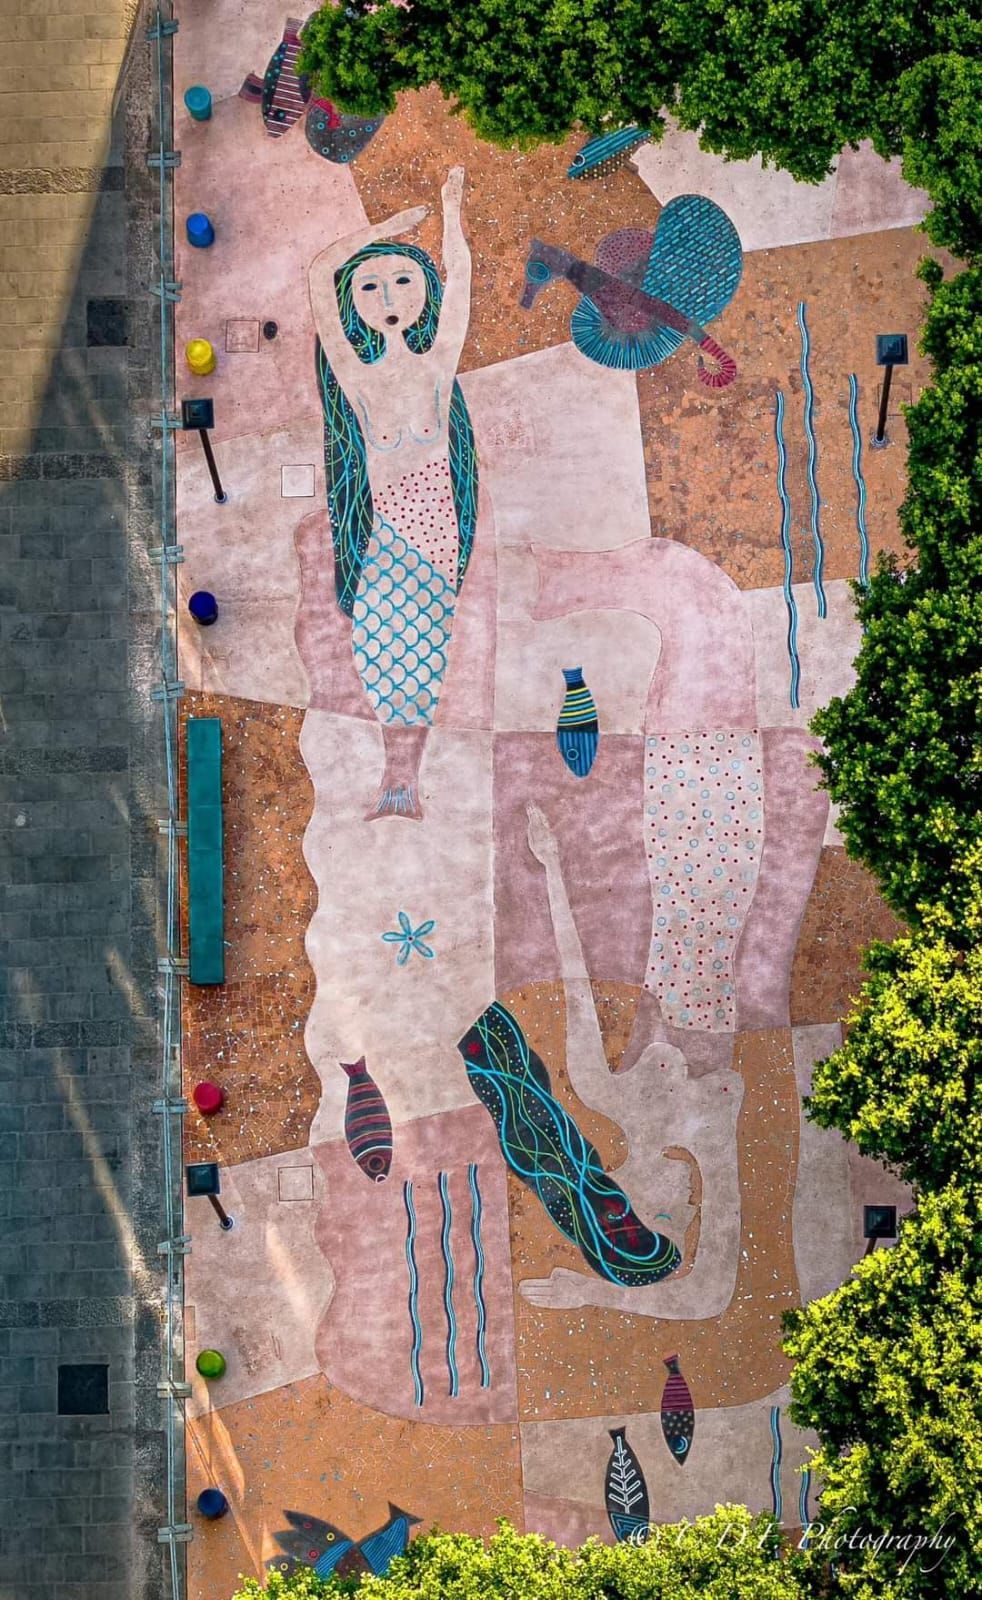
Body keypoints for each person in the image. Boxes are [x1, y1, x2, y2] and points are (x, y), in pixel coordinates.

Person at [307, 166, 477, 818]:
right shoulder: (358, 378)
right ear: (358, 306)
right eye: (372, 288)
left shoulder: (437, 366)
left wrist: (450, 209)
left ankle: (408, 780)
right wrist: (385, 233)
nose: (387, 297)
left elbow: (460, 282)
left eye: (402, 281)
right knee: (379, 649)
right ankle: (392, 777)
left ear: (421, 293)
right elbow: (321, 274)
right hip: (387, 535)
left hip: (436, 533)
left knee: (427, 653)